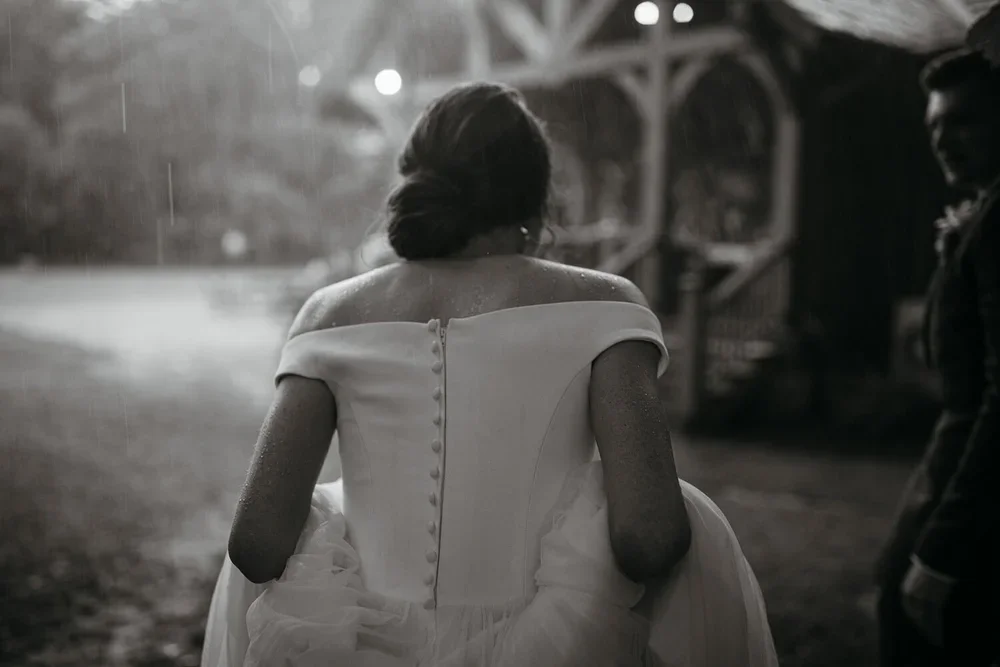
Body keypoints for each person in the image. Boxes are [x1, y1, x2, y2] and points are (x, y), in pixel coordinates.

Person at [200, 82, 778, 667]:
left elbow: (258, 543)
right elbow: (650, 538)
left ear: (418, 178)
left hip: (349, 646)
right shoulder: (603, 306)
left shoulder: (329, 315)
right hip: (560, 645)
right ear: (534, 196)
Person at [875, 48, 1000, 667]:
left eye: (965, 120)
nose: (945, 139)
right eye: (934, 126)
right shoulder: (980, 216)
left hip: (972, 492)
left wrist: (941, 548)